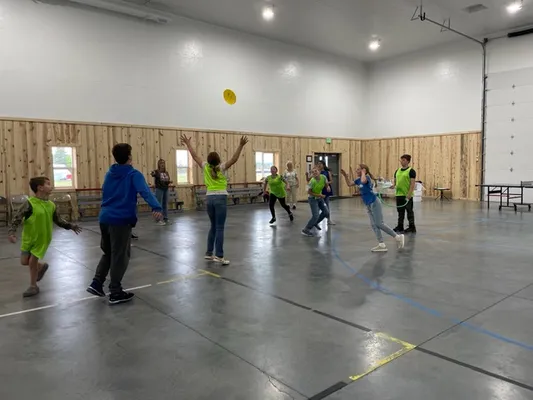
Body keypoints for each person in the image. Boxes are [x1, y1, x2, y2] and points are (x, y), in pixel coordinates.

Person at [86, 143, 163, 305]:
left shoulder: (109, 173)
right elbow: (145, 192)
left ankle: (97, 283)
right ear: (129, 156)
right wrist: (156, 206)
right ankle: (115, 291)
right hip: (119, 220)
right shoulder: (133, 174)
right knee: (120, 256)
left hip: (104, 218)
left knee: (108, 253)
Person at [181, 133, 248, 265]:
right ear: (218, 160)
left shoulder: (205, 166)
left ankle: (209, 253)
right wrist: (240, 145)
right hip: (221, 198)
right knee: (220, 228)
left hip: (209, 198)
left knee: (213, 226)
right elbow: (234, 159)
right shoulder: (221, 168)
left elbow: (194, 156)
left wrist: (188, 144)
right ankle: (219, 255)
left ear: (209, 160)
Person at [8, 177, 82, 297]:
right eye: (48, 184)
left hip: (42, 239)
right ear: (40, 188)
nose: (51, 186)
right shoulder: (29, 203)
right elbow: (17, 218)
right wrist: (12, 232)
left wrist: (70, 226)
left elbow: (58, 220)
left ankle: (33, 286)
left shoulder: (51, 205)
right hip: (28, 238)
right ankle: (42, 266)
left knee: (32, 261)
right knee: (24, 261)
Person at [341, 165, 404, 252]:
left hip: (374, 202)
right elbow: (349, 184)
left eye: (358, 169)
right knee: (374, 225)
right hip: (368, 204)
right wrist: (345, 176)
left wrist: (363, 172)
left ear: (364, 170)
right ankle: (381, 244)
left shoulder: (366, 178)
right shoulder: (358, 179)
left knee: (379, 223)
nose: (356, 171)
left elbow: (363, 181)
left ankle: (398, 237)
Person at [391, 154, 417, 233]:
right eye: (401, 160)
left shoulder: (411, 171)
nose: (402, 161)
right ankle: (400, 226)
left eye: (404, 160)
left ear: (408, 161)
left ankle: (412, 227)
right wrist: (392, 186)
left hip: (407, 195)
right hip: (399, 195)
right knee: (400, 211)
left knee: (409, 211)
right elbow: (395, 183)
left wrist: (409, 194)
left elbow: (412, 184)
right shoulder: (397, 171)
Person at [301, 167, 329, 237]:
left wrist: (328, 187)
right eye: (313, 172)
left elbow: (326, 184)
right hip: (312, 199)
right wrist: (319, 195)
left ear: (319, 171)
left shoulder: (324, 177)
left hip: (320, 198)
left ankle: (315, 223)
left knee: (326, 212)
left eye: (316, 171)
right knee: (315, 215)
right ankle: (306, 229)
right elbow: (309, 192)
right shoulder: (312, 181)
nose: (314, 173)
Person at [151, 159, 172, 226]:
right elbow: (153, 174)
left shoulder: (166, 172)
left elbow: (166, 181)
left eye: (163, 163)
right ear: (159, 164)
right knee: (158, 204)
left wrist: (169, 182)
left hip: (165, 189)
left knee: (165, 204)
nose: (162, 164)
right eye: (161, 163)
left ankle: (165, 218)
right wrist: (152, 173)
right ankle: (158, 219)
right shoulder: (157, 172)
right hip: (159, 189)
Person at [317, 160, 335, 225]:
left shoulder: (327, 172)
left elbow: (331, 181)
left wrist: (326, 183)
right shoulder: (317, 172)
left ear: (323, 165)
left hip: (326, 190)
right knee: (318, 206)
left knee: (327, 205)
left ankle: (329, 220)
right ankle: (315, 219)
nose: (319, 165)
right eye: (318, 164)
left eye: (320, 164)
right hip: (319, 190)